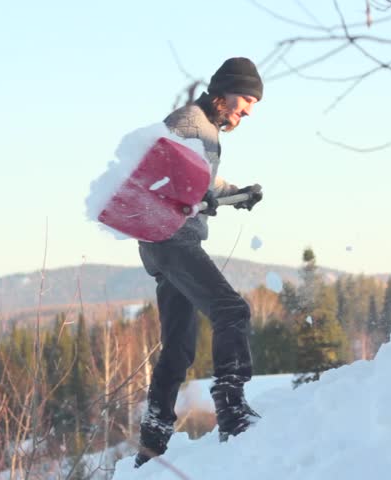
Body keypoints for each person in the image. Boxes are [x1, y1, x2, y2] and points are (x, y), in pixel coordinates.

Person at [134, 57, 265, 468]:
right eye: (245, 100)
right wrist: (195, 194)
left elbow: (202, 180)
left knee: (179, 349)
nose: (248, 111)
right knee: (232, 311)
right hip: (172, 240)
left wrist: (235, 192)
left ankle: (151, 444)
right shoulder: (191, 122)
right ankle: (232, 411)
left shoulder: (204, 130)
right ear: (223, 92)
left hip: (164, 242)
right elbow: (159, 170)